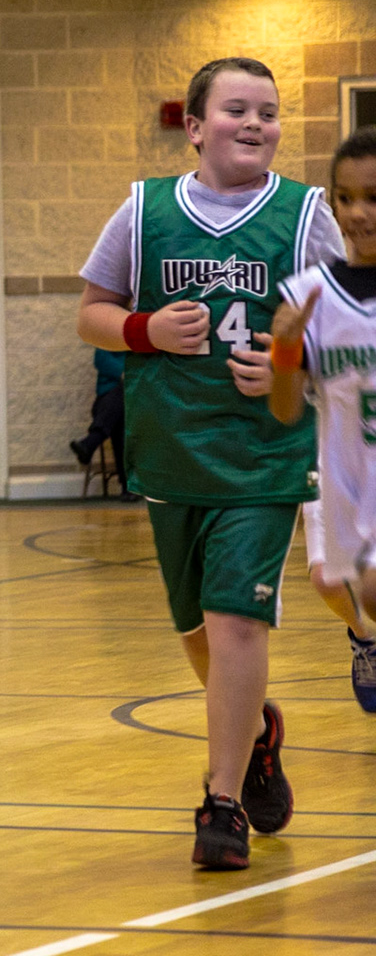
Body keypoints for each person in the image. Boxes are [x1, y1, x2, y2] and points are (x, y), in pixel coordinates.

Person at [77, 56, 342, 870]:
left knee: (236, 619)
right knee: (198, 630)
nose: (256, 123)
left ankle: (219, 802)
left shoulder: (305, 216)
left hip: (263, 454)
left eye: (268, 111)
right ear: (194, 127)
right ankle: (259, 730)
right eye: (236, 110)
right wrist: (143, 332)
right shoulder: (142, 210)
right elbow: (90, 313)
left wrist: (295, 368)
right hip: (171, 450)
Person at [266, 125, 376, 713]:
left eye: (374, 198)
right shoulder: (311, 293)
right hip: (342, 474)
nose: (358, 214)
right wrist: (284, 350)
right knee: (332, 583)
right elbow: (284, 410)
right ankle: (366, 639)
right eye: (345, 198)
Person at [69, 348, 129, 493]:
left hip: (123, 407)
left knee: (121, 416)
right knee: (120, 403)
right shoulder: (106, 338)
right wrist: (127, 373)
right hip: (106, 403)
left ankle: (90, 443)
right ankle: (128, 486)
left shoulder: (137, 341)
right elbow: (102, 362)